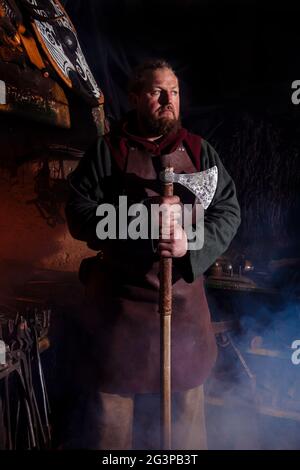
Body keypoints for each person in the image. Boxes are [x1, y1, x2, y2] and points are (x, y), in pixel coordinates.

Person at [65, 59, 241, 450]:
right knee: (111, 426)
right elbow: (78, 214)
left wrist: (190, 242)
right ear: (134, 98)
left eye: (174, 92)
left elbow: (228, 211)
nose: (168, 99)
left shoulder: (199, 151)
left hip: (183, 314)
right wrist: (139, 221)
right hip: (120, 311)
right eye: (157, 91)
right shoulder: (107, 152)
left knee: (187, 430)